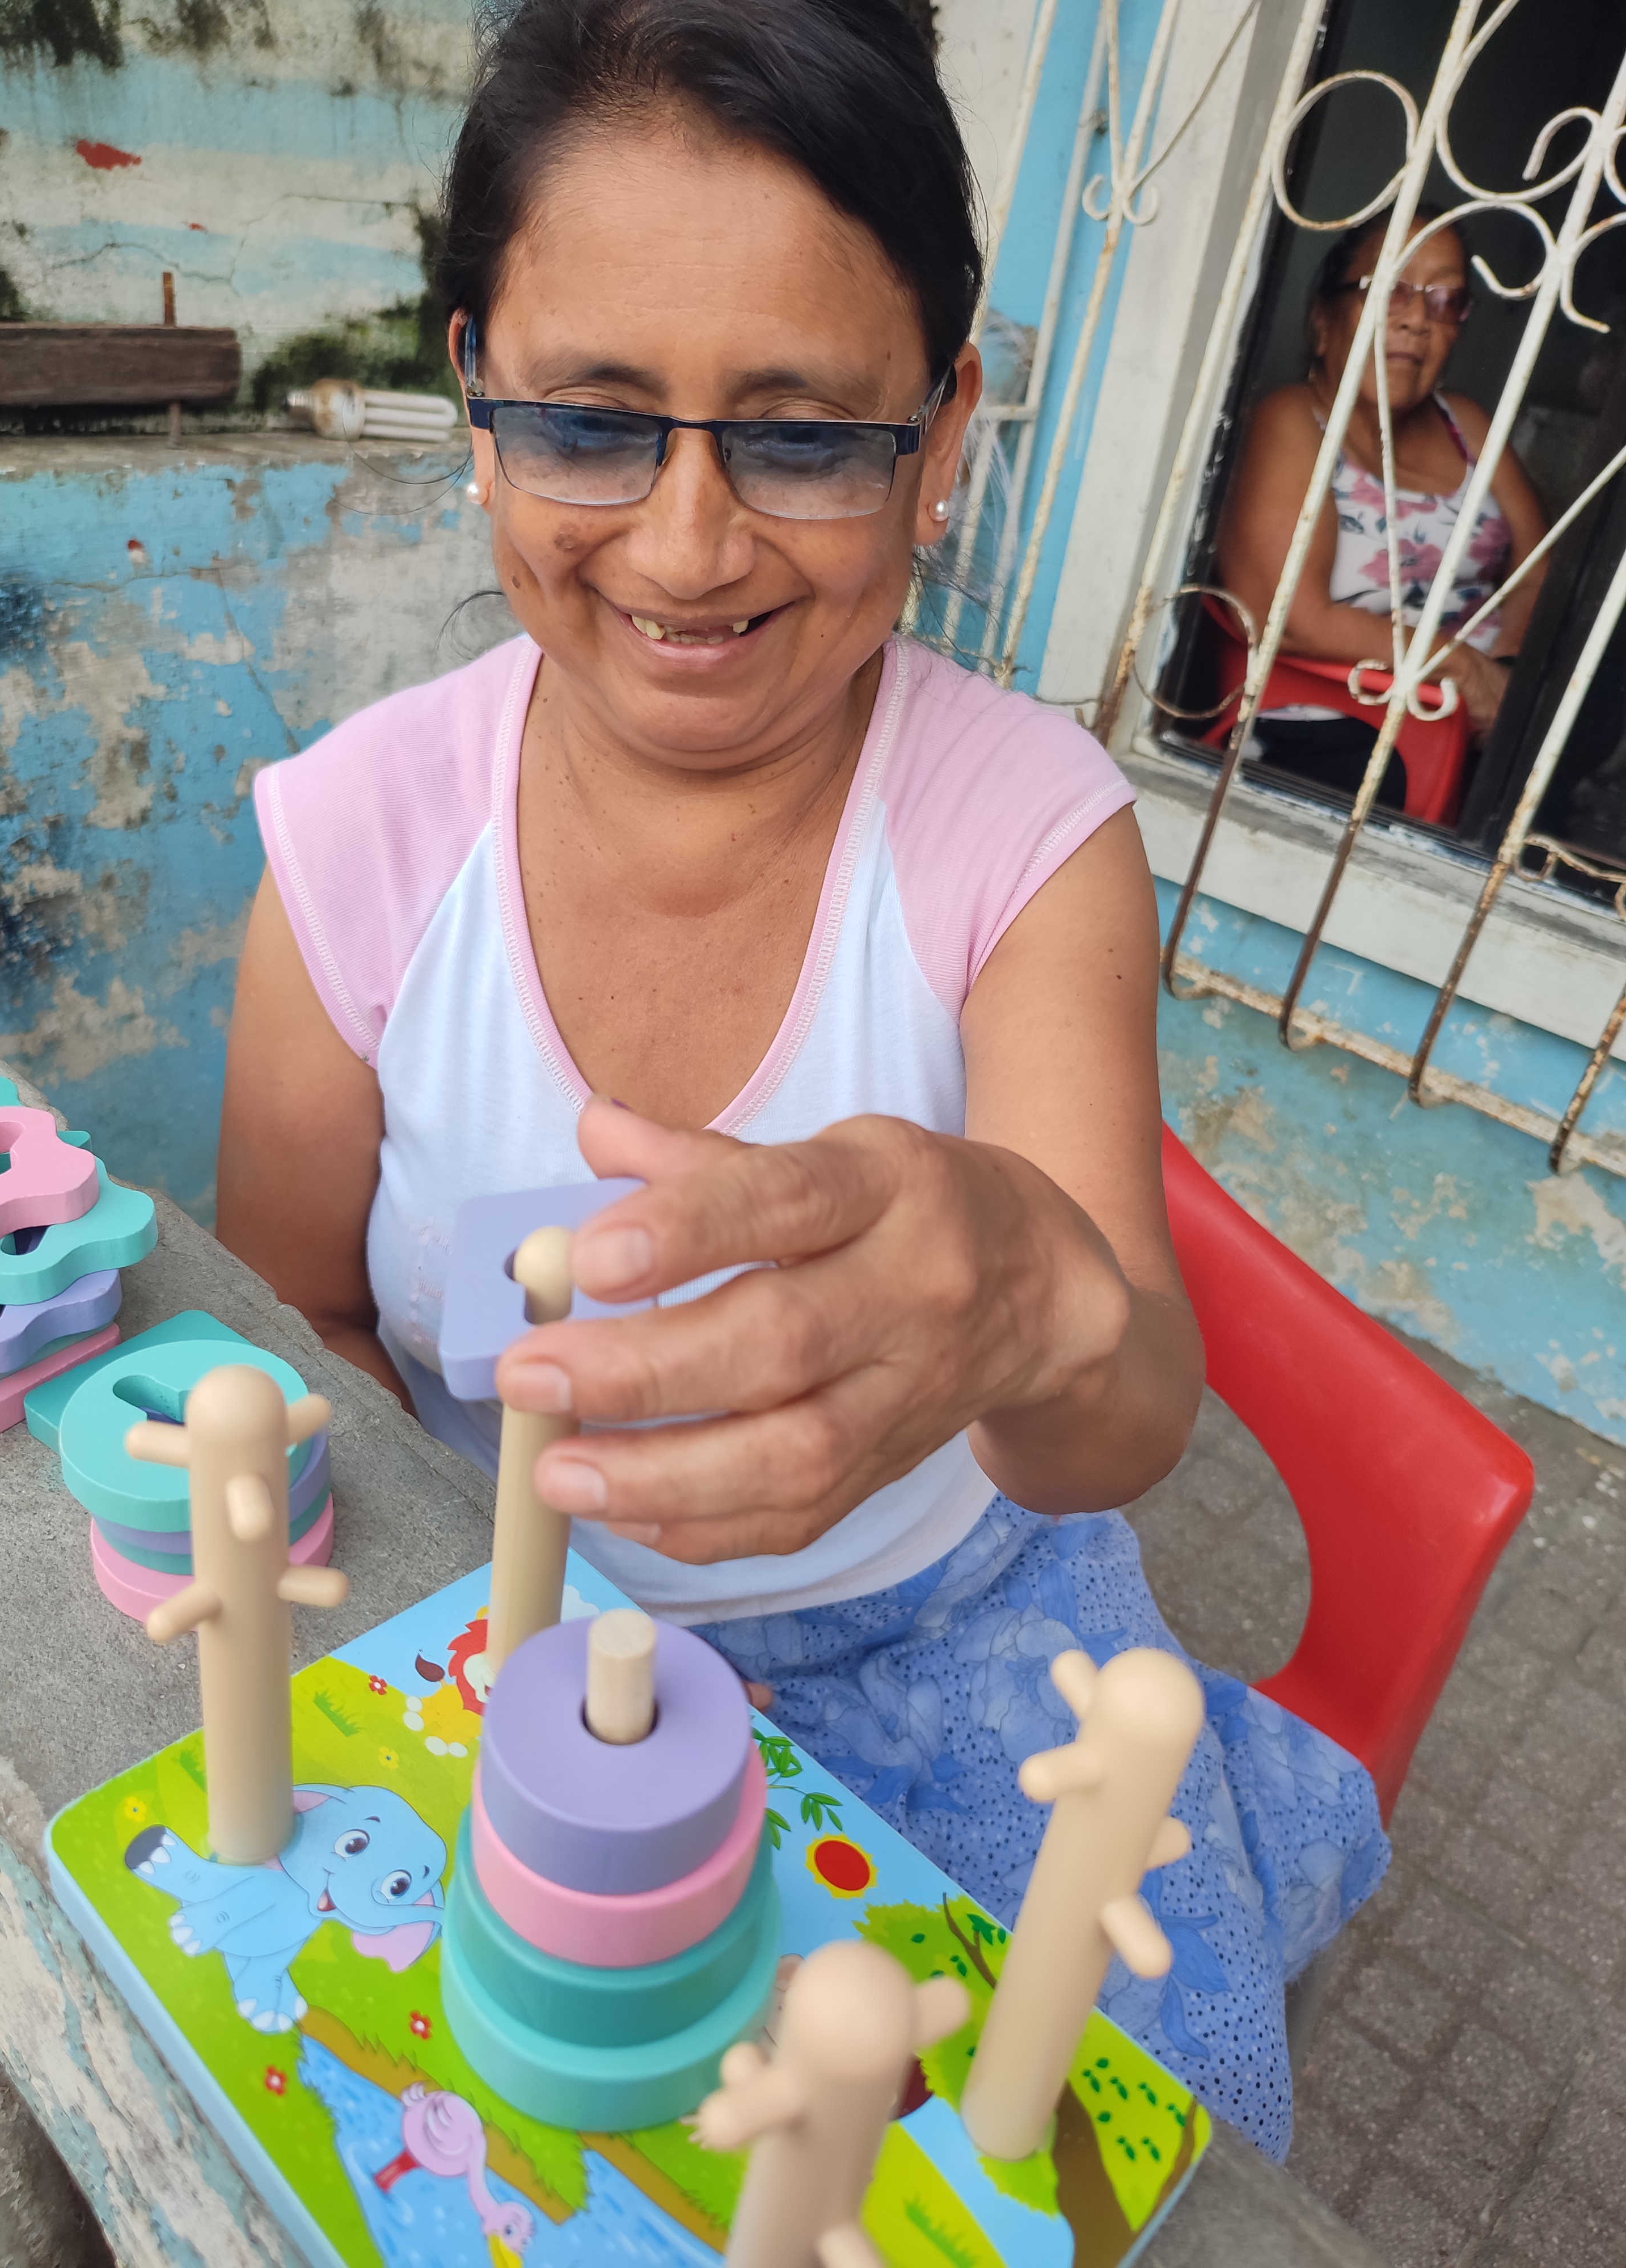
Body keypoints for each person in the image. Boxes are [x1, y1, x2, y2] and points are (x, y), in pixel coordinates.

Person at [218, 0, 1387, 2158]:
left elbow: (1119, 1416)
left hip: (954, 1636)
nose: (684, 549)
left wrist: (1035, 1297)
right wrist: (475, 1629)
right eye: (590, 422)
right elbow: (297, 1322)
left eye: (805, 437)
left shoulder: (1021, 836)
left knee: (1069, 2150)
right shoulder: (355, 849)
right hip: (500, 1629)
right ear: (475, 395)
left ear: (938, 439)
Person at [1219, 207, 1548, 809]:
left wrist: (1504, 674)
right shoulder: (1292, 421)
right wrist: (1461, 670)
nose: (1417, 318)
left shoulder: (1465, 422)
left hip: (1479, 717)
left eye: (1445, 300)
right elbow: (1289, 616)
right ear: (1323, 320)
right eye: (1387, 289)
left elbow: (1537, 565)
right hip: (1338, 718)